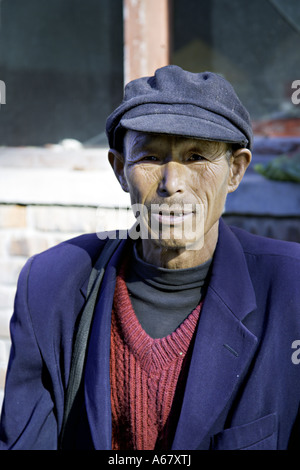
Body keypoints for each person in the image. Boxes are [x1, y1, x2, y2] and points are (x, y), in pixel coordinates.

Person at [0, 65, 299, 450]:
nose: (171, 185)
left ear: (235, 171)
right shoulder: (50, 285)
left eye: (195, 157)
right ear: (120, 169)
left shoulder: (289, 288)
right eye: (151, 157)